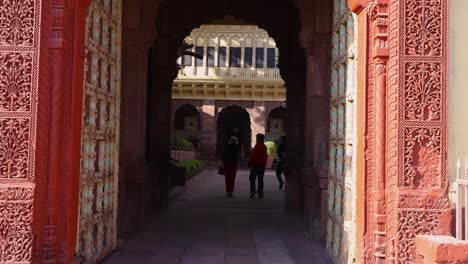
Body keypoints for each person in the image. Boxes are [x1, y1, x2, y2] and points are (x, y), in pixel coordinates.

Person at [249, 133, 268, 199]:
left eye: (257, 138)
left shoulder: (257, 146)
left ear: (259, 139)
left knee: (252, 179)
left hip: (255, 165)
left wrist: (252, 164)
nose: (256, 139)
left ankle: (253, 190)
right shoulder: (264, 146)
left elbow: (254, 157)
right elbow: (265, 157)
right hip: (261, 165)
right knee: (260, 179)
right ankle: (260, 193)